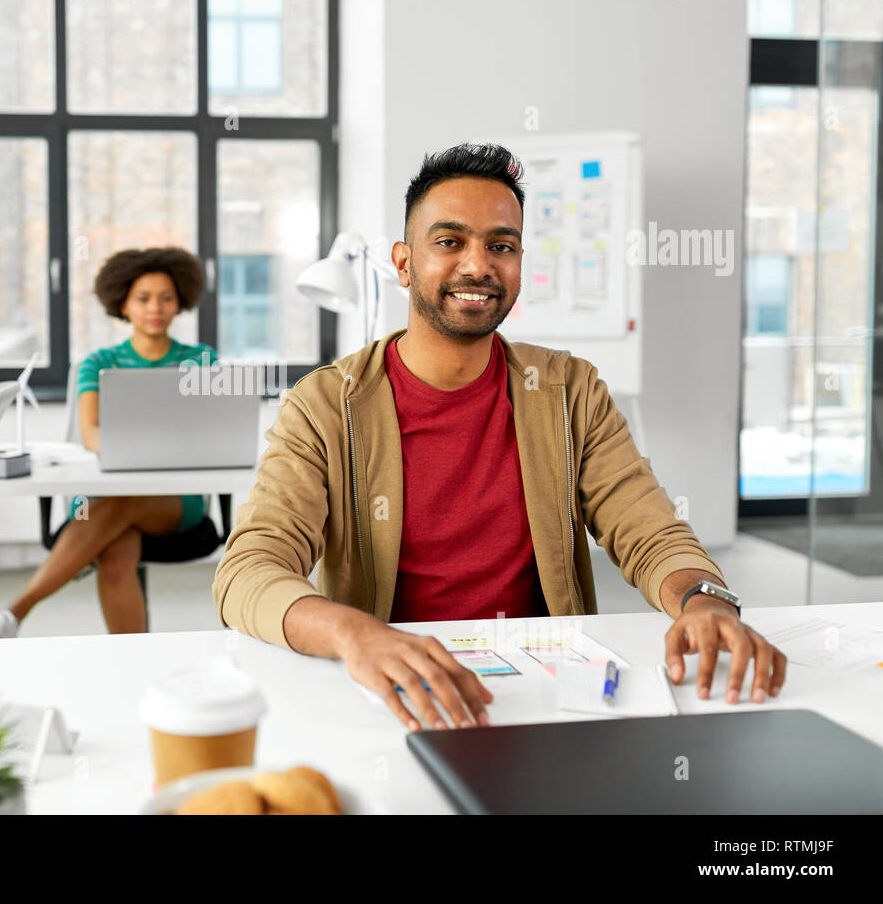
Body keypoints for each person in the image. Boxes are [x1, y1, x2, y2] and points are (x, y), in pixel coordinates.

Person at [213, 143, 787, 734]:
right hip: (394, 688)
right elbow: (249, 570)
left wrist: (704, 599)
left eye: (501, 245)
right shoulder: (327, 404)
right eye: (449, 242)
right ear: (404, 264)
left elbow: (649, 530)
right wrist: (355, 633)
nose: (478, 265)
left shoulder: (569, 389)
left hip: (547, 689)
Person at [0, 247, 216, 638]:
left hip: (174, 501)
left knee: (119, 505)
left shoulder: (202, 360)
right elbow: (90, 431)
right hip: (103, 493)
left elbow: (208, 432)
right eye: (143, 299)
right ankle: (132, 660)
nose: (154, 308)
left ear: (180, 303)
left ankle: (17, 611)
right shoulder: (99, 362)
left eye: (166, 297)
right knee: (115, 552)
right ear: (123, 304)